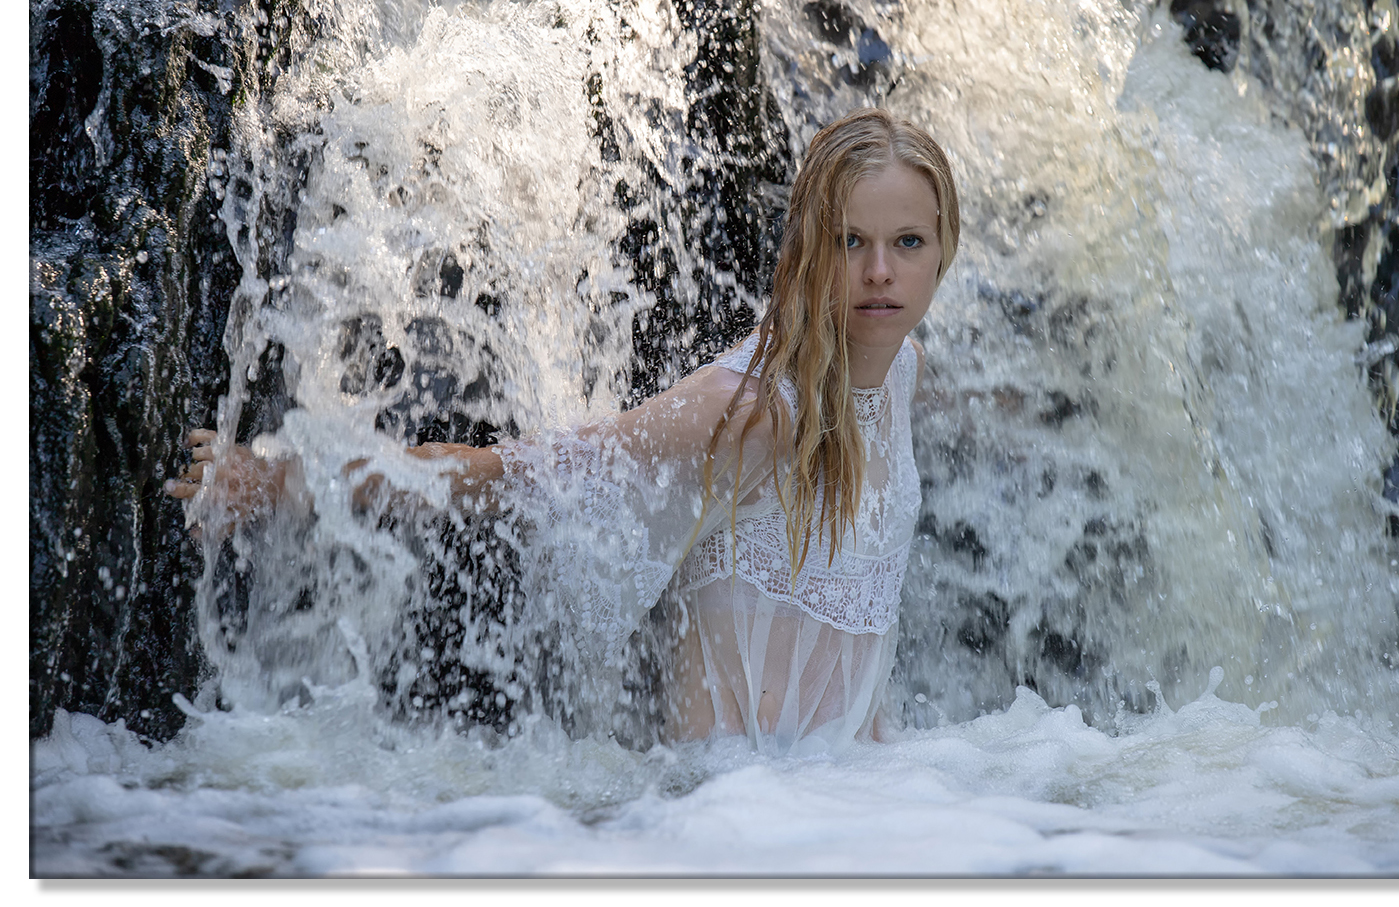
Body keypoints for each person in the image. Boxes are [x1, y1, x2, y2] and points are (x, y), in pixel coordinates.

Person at [166, 107, 960, 754]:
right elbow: (518, 472)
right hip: (732, 805)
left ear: (942, 251)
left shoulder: (898, 371)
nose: (879, 271)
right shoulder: (755, 411)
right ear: (808, 250)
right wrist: (280, 481)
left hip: (851, 793)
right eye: (850, 242)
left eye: (907, 243)